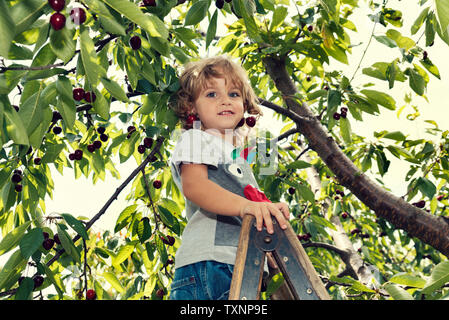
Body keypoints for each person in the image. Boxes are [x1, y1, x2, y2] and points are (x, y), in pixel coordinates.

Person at [168, 56, 290, 300]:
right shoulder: (196, 138)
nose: (225, 100)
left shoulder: (238, 160)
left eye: (234, 94)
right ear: (191, 107)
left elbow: (247, 214)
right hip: (210, 264)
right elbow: (195, 186)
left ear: (244, 104)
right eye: (212, 94)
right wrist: (249, 207)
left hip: (243, 268)